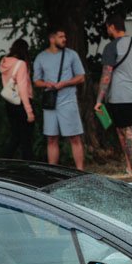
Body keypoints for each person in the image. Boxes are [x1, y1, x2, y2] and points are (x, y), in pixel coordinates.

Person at [95, 13, 132, 175]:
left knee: (128, 131)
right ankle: (129, 167)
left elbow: (106, 74)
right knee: (124, 130)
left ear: (111, 27)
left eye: (107, 28)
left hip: (120, 96)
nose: (107, 31)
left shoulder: (111, 47)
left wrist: (99, 100)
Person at [32, 27, 86, 170]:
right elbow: (36, 81)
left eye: (64, 36)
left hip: (68, 100)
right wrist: (46, 84)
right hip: (50, 102)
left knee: (74, 137)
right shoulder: (41, 57)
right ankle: (53, 171)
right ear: (52, 39)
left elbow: (81, 77)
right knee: (51, 138)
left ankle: (80, 170)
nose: (64, 39)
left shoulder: (71, 55)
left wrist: (65, 83)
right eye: (61, 37)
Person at [0, 39, 35, 160]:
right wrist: (29, 111)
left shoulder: (4, 62)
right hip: (22, 103)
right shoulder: (21, 64)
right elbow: (23, 88)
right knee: (26, 138)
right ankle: (28, 166)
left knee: (15, 136)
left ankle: (4, 160)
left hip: (9, 102)